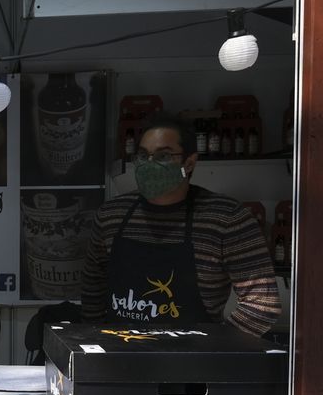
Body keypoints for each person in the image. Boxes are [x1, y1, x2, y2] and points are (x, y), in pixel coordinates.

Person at [81, 114, 280, 335]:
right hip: (119, 358)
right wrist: (96, 343)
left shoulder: (227, 218)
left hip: (196, 363)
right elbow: (93, 287)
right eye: (143, 155)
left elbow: (262, 304)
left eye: (163, 155)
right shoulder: (111, 216)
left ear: (189, 162)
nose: (149, 164)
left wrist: (217, 349)